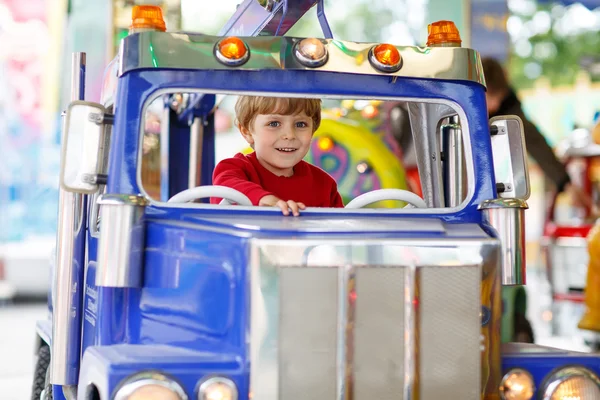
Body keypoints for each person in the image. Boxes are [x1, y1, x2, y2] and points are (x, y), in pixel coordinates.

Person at [482, 57, 591, 208]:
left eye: (498, 98)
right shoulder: (456, 102)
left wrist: (565, 183)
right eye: (490, 98)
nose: (496, 105)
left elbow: (534, 140)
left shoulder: (508, 104)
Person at [211, 96, 344, 216]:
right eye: (274, 124)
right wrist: (266, 200)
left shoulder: (324, 183)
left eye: (300, 124)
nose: (290, 135)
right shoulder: (233, 169)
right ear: (247, 132)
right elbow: (227, 188)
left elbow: (340, 230)